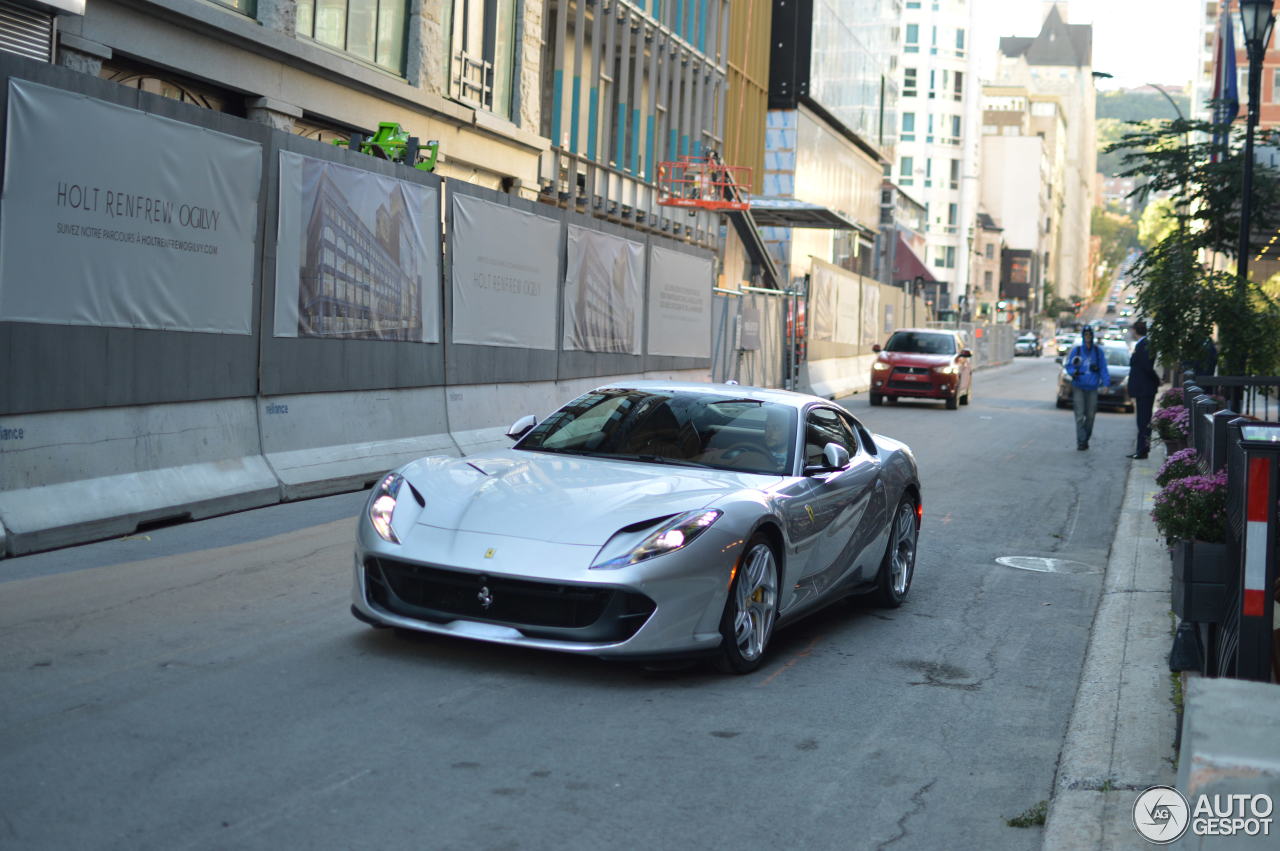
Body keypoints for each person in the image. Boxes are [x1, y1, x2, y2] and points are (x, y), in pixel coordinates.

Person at [1065, 326, 1109, 451]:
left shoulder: (1097, 352)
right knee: (1079, 416)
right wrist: (1073, 372)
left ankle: (1085, 438)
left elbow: (1103, 368)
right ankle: (1081, 441)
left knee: (1090, 415)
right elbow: (1069, 365)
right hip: (1079, 386)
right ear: (1083, 336)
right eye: (1086, 335)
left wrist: (1106, 384)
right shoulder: (1077, 351)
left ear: (1092, 336)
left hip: (1092, 387)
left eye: (1090, 335)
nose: (1088, 337)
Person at [1126, 319, 1162, 460]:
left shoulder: (1145, 345)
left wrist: (1157, 380)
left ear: (1136, 331)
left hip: (1144, 388)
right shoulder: (1143, 344)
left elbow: (1147, 367)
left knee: (1144, 421)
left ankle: (1142, 449)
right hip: (1143, 388)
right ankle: (1141, 448)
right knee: (1142, 420)